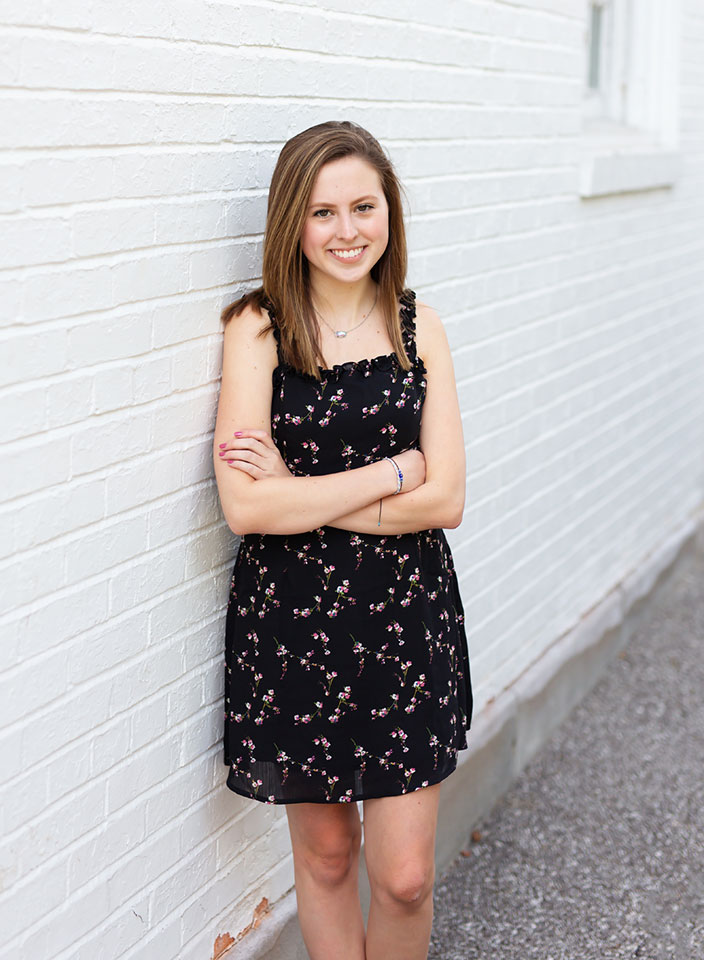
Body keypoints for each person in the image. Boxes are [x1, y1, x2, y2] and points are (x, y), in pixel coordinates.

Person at [213, 120, 473, 960]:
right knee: (326, 861)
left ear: (389, 212)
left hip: (405, 620)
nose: (348, 230)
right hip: (293, 622)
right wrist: (392, 471)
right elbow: (247, 511)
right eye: (323, 212)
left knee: (404, 876)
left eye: (365, 206)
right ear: (293, 221)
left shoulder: (418, 326)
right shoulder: (257, 330)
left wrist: (299, 491)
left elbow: (449, 497)